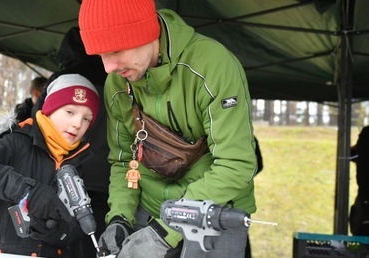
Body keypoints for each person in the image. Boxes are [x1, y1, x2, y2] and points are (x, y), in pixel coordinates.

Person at [78, 0, 258, 257]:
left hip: (216, 213)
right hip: (149, 209)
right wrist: (120, 216)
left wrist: (166, 231)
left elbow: (235, 165)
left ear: (144, 33)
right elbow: (124, 161)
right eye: (100, 56)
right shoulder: (116, 84)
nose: (108, 68)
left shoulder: (212, 66)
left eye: (115, 51)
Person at [0, 74, 100, 257]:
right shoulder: (18, 141)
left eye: (87, 118)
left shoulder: (80, 161)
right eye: (70, 112)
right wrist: (27, 192)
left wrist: (56, 232)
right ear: (50, 109)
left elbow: (77, 231)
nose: (78, 124)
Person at [33, 27, 110, 258]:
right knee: (98, 246)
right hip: (107, 179)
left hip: (66, 181)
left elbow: (38, 126)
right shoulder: (115, 79)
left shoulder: (61, 81)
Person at [349, 126, 369, 236]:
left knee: (359, 243)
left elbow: (352, 154)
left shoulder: (366, 133)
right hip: (364, 197)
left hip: (365, 197)